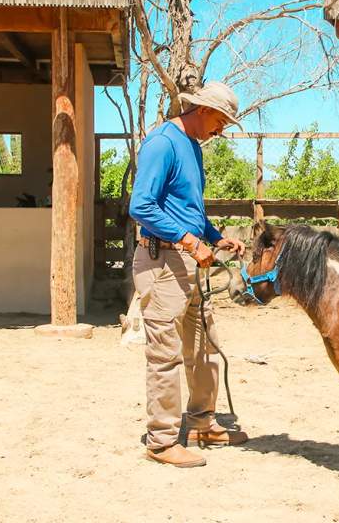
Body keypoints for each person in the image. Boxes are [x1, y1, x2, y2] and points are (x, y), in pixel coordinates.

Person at [129, 82, 247, 468]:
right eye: (220, 121)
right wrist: (188, 241)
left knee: (203, 346)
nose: (221, 130)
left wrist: (214, 237)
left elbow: (188, 208)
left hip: (188, 261)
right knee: (165, 354)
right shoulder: (162, 143)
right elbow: (141, 205)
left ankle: (201, 421)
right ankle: (162, 441)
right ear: (201, 110)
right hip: (162, 262)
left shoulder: (192, 147)